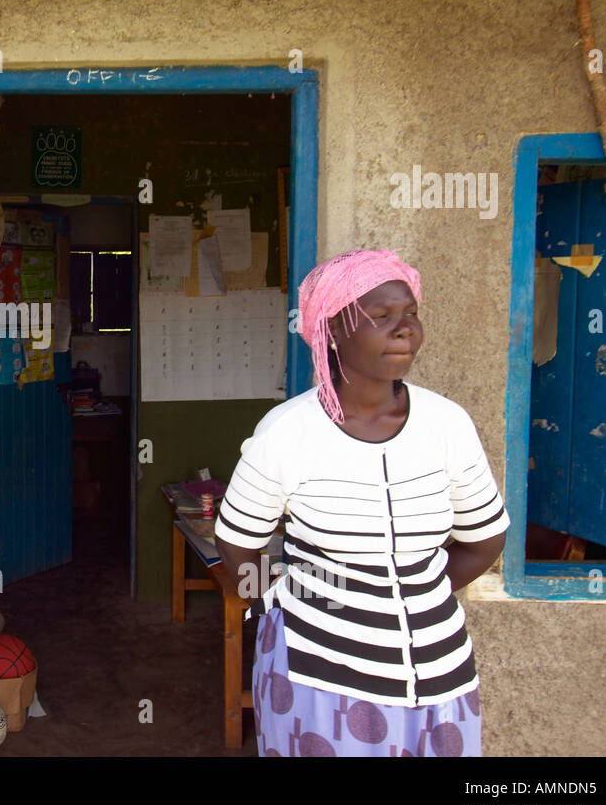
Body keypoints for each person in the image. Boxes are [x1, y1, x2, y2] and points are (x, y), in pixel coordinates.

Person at [213, 248, 509, 756]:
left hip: (441, 676)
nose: (405, 329)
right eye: (381, 316)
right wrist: (290, 599)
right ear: (330, 332)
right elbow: (236, 547)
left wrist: (411, 594)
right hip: (318, 673)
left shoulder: (447, 424)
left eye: (410, 314)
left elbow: (484, 540)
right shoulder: (287, 433)